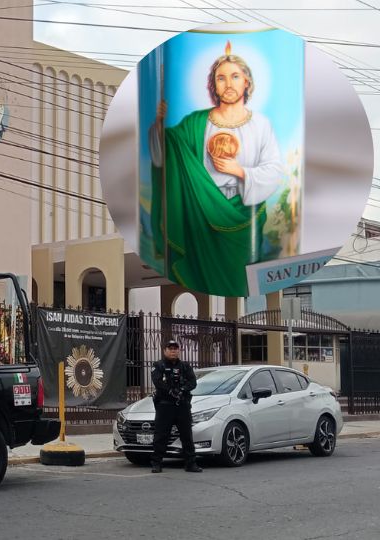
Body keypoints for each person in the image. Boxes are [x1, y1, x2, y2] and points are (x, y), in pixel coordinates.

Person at [148, 41, 284, 297]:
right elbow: (167, 154)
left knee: (238, 280)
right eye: (221, 78)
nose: (229, 83)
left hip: (242, 216)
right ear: (213, 85)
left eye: (235, 76)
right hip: (200, 214)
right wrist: (158, 123)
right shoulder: (196, 122)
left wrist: (240, 171)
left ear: (247, 82)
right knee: (200, 276)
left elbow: (274, 170)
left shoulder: (261, 125)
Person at [150, 339, 201, 473]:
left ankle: (191, 463)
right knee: (161, 435)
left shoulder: (185, 366)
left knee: (186, 435)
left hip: (182, 405)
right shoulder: (159, 365)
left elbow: (193, 382)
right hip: (165, 406)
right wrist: (170, 390)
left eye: (175, 348)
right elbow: (157, 381)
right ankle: (157, 463)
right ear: (165, 350)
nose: (173, 351)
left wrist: (182, 389)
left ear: (179, 350)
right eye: (170, 348)